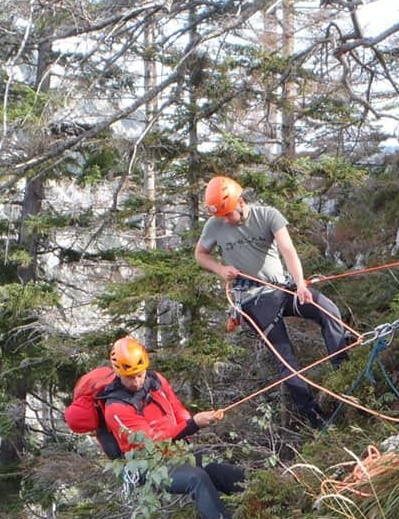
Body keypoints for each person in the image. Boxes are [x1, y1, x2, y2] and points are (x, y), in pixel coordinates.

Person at [194, 175, 348, 429]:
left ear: (241, 202)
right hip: (253, 298)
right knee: (285, 357)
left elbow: (288, 249)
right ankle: (316, 418)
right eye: (221, 216)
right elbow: (200, 254)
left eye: (228, 214)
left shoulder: (267, 216)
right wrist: (220, 269)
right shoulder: (215, 225)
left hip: (283, 287)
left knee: (328, 310)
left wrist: (300, 284)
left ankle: (344, 372)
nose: (226, 220)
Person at [100, 336, 244, 519]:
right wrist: (193, 424)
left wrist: (191, 422)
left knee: (222, 471)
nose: (136, 382)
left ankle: (263, 498)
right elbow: (151, 441)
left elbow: (177, 408)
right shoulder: (115, 408)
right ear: (118, 373)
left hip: (177, 452)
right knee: (196, 478)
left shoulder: (155, 381)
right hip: (147, 466)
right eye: (129, 378)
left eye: (140, 375)